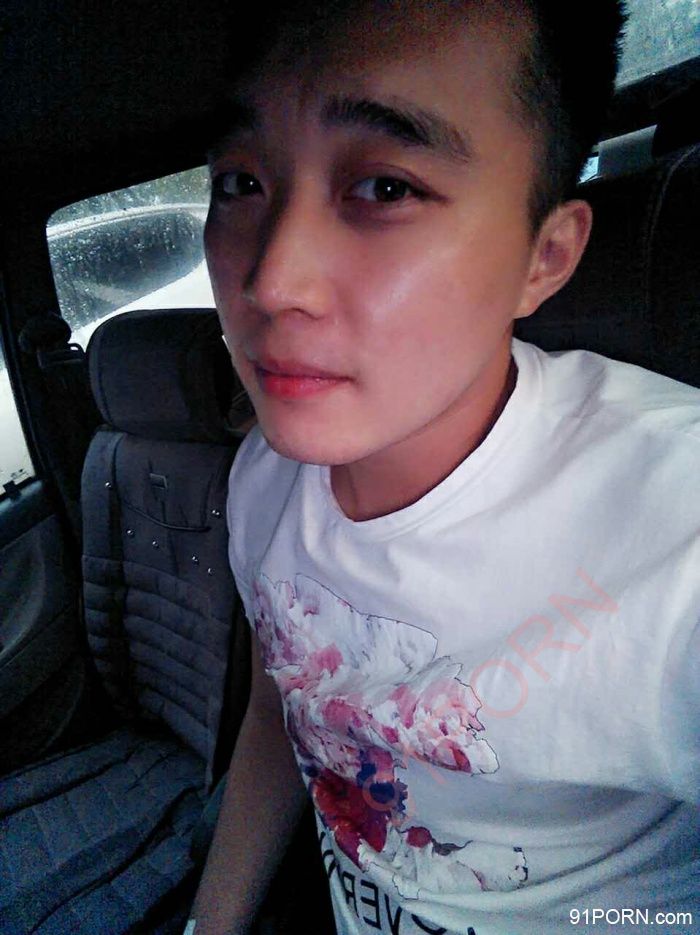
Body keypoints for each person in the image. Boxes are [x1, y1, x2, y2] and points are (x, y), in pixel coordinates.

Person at [190, 0, 700, 932]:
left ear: (544, 258)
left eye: (385, 187)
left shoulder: (676, 522)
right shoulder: (262, 478)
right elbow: (282, 708)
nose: (269, 281)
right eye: (241, 183)